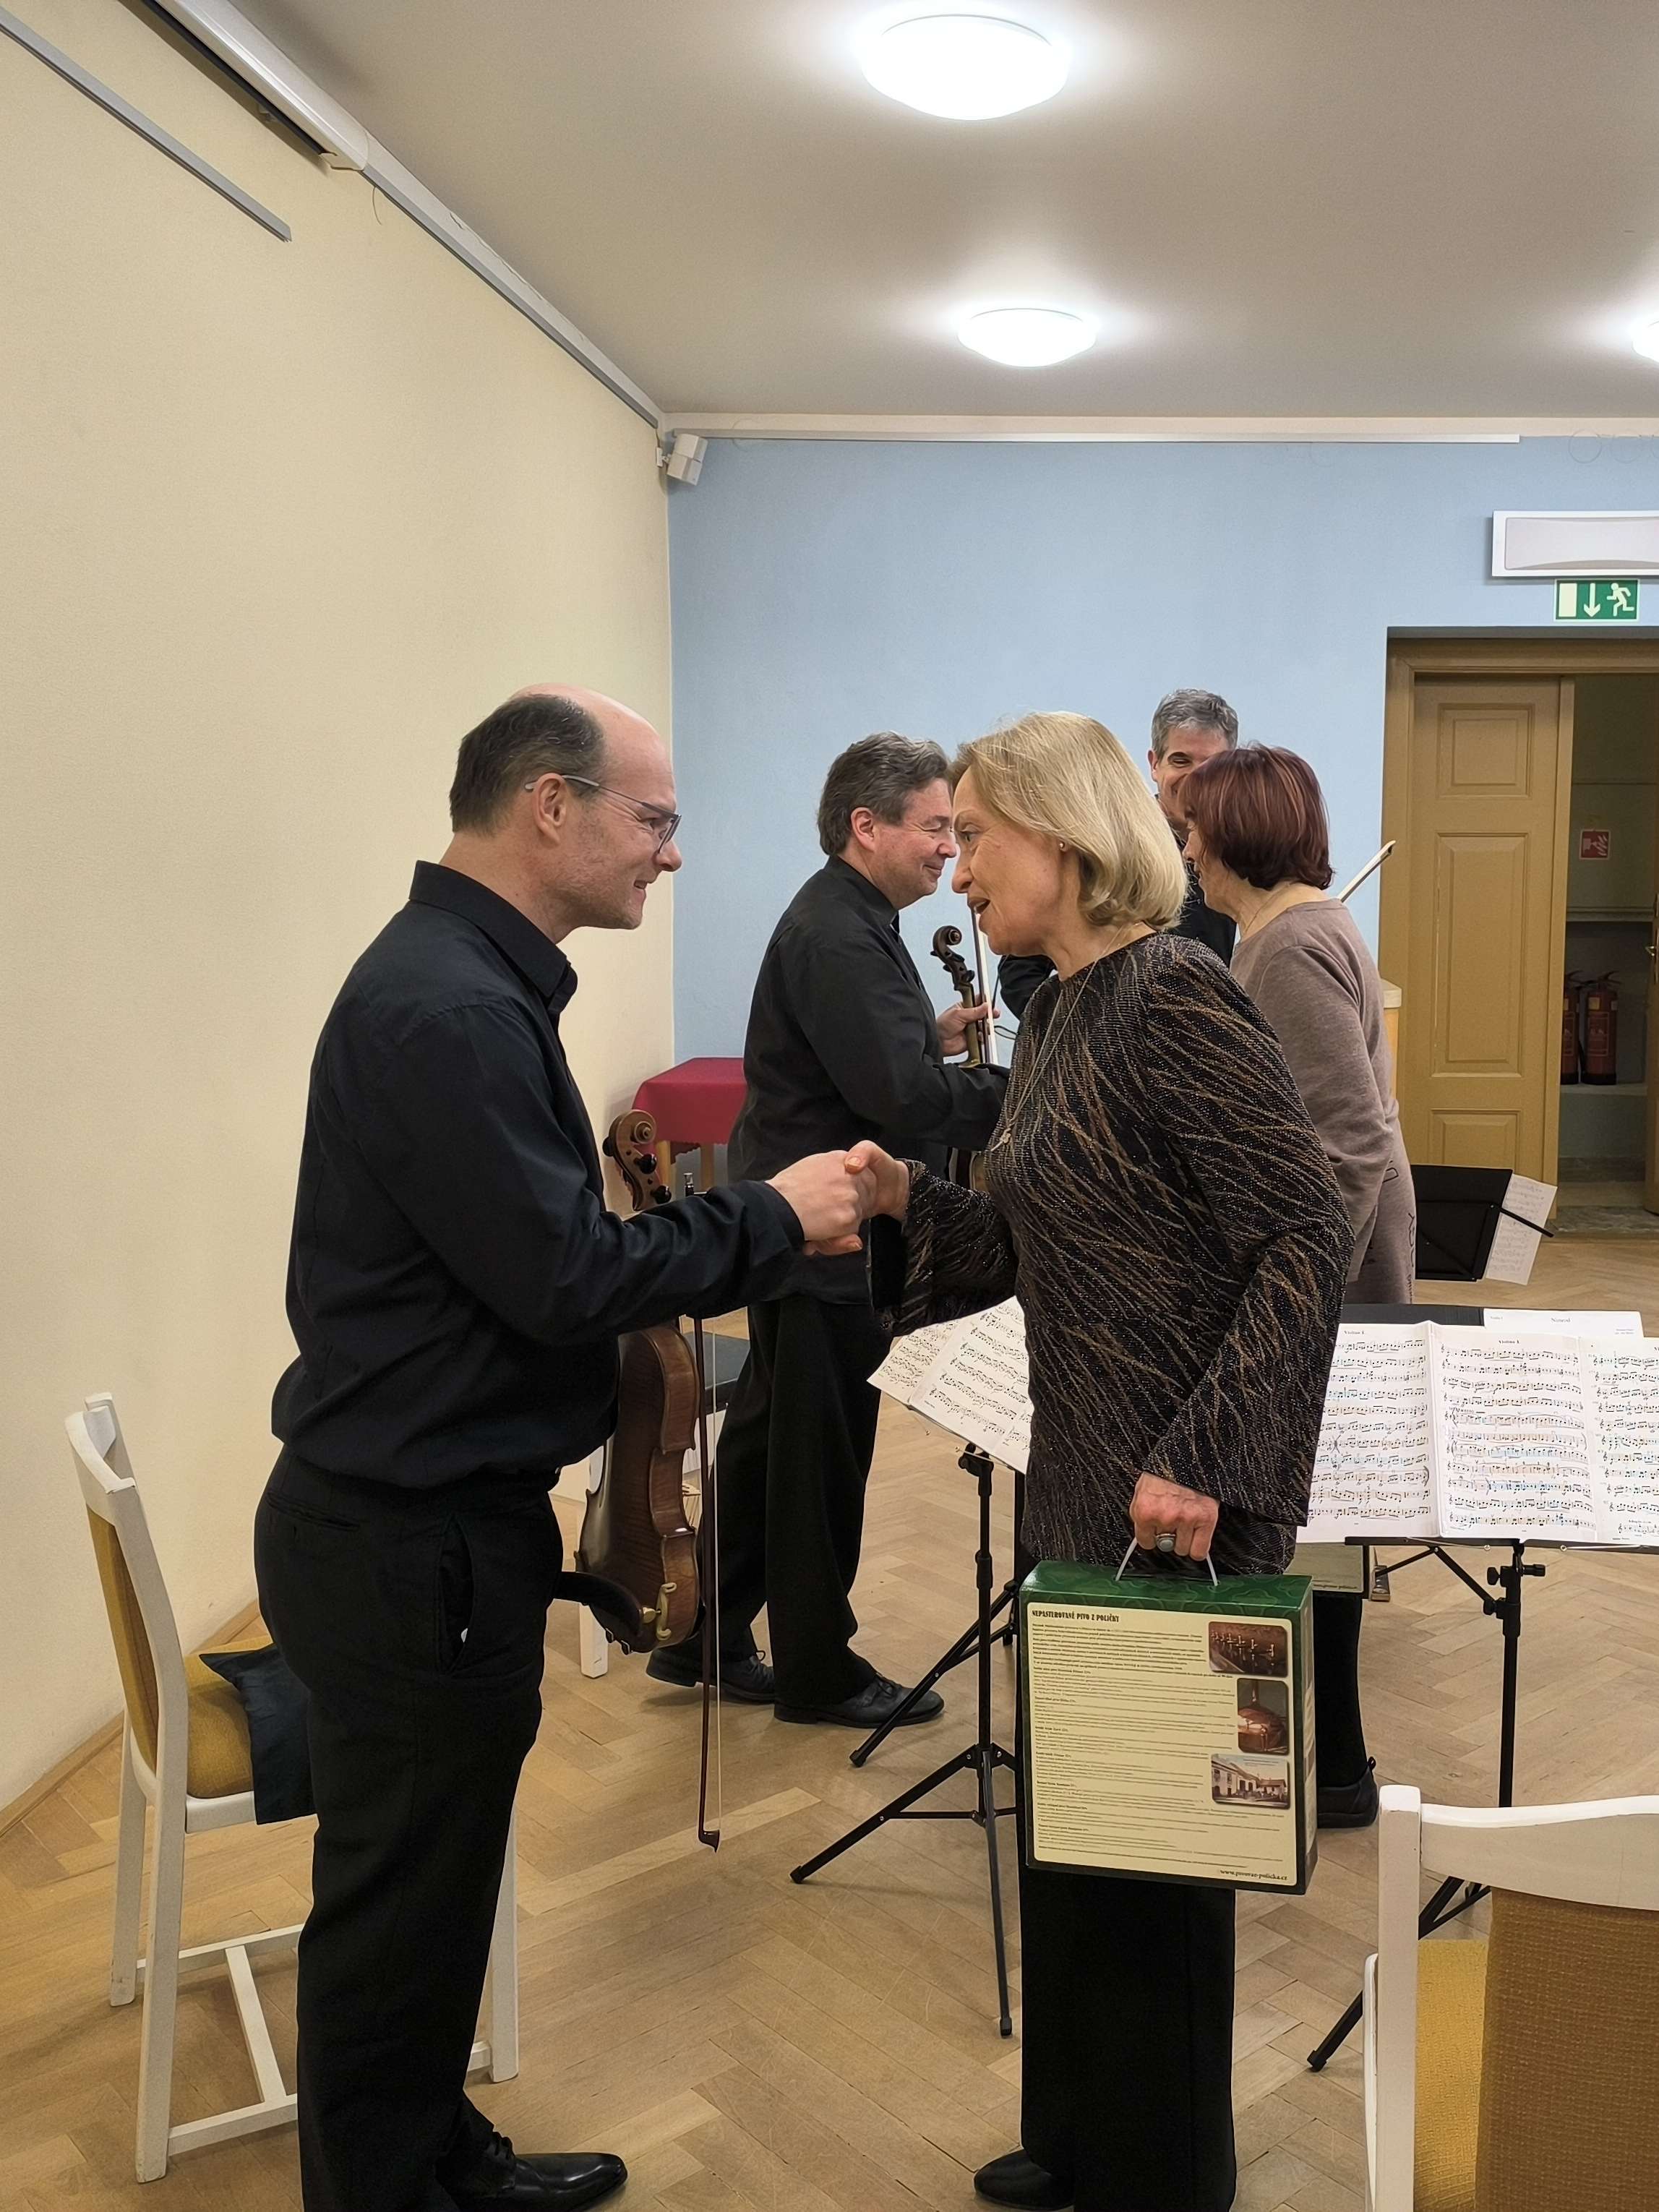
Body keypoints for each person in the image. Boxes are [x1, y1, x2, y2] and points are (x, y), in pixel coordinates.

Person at [256, 687, 870, 2212]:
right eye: (652, 818)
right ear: (550, 806)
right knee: (397, 1912)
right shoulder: (454, 1011)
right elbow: (565, 1277)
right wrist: (771, 1217)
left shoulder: (466, 982)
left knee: (434, 1893)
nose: (671, 851)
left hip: (421, 1526)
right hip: (408, 1540)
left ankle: (431, 2155)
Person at [846, 712, 1350, 2212]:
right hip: (1078, 1474)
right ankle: (1076, 2136)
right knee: (1078, 1831)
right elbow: (1021, 1246)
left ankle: (1162, 2173)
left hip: (1173, 1503)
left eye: (977, 840)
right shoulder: (1063, 1009)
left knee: (1156, 1860)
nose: (958, 872)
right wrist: (907, 1201)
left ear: (1062, 840)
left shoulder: (1174, 994)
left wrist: (1208, 1452)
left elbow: (1303, 1232)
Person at [647, 734, 1008, 1727]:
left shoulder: (848, 916)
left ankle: (701, 1636)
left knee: (768, 1446)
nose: (949, 848)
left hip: (803, 1229)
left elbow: (869, 1061)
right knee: (818, 1459)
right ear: (867, 826)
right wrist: (1024, 1096)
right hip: (827, 1234)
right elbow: (898, 1099)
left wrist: (926, 1038)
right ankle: (819, 1671)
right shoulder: (841, 933)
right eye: (934, 826)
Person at [1183, 744, 1413, 1830]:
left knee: (1314, 1525)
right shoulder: (1292, 930)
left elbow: (1350, 1143)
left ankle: (1332, 1768)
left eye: (1194, 829)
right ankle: (1329, 1765)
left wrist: (1297, 1301)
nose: (1186, 849)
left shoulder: (1287, 944)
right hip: (1333, 1261)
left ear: (1234, 837)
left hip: (1332, 1272)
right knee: (1317, 1522)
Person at [995, 687, 1238, 1018]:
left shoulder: (1235, 854)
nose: (1195, 777)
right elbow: (1020, 973)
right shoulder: (1109, 846)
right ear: (1154, 764)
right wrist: (1089, 1033)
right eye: (1180, 761)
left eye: (1211, 765)